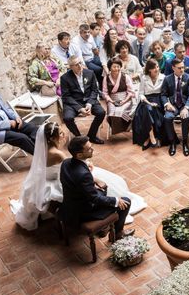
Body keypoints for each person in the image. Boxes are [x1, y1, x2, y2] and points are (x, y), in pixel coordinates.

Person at [10, 123, 147, 230]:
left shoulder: (49, 152)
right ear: (52, 138)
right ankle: (114, 226)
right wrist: (89, 170)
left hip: (58, 177)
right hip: (73, 193)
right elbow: (78, 176)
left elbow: (70, 165)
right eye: (61, 134)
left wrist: (85, 166)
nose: (64, 136)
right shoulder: (59, 154)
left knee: (100, 182)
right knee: (112, 186)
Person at [60, 136, 135, 240]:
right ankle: (117, 234)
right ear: (79, 154)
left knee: (103, 188)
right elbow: (94, 198)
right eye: (89, 148)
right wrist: (116, 200)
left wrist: (94, 180)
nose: (93, 149)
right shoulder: (83, 174)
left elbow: (77, 178)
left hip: (70, 204)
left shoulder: (66, 163)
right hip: (84, 211)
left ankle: (104, 228)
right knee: (125, 202)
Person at [61, 56, 105, 144]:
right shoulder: (65, 78)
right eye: (76, 64)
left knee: (101, 113)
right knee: (67, 118)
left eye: (80, 63)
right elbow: (66, 96)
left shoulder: (90, 73)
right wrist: (79, 108)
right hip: (74, 102)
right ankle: (79, 138)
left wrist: (89, 103)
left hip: (89, 100)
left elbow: (94, 90)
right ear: (70, 67)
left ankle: (91, 136)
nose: (80, 66)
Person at [160, 58, 189, 156]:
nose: (182, 70)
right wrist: (167, 104)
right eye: (179, 68)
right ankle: (172, 142)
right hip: (173, 105)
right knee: (167, 118)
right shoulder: (167, 79)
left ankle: (185, 142)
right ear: (173, 68)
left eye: (183, 67)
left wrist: (187, 107)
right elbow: (163, 94)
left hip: (184, 105)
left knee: (186, 117)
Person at [132, 58, 165, 150]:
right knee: (147, 108)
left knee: (151, 110)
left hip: (159, 100)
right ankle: (151, 135)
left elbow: (164, 93)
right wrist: (149, 102)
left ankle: (150, 137)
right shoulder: (144, 78)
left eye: (157, 67)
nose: (157, 69)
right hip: (146, 100)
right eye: (154, 68)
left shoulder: (163, 77)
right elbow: (141, 93)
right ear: (149, 69)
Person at [102, 57, 135, 135]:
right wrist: (110, 101)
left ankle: (126, 125)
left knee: (120, 111)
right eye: (114, 66)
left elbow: (131, 92)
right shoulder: (106, 78)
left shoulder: (125, 77)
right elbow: (105, 93)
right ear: (110, 67)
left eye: (118, 66)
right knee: (111, 114)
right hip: (112, 100)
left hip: (125, 99)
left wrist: (124, 101)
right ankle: (120, 128)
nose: (116, 68)